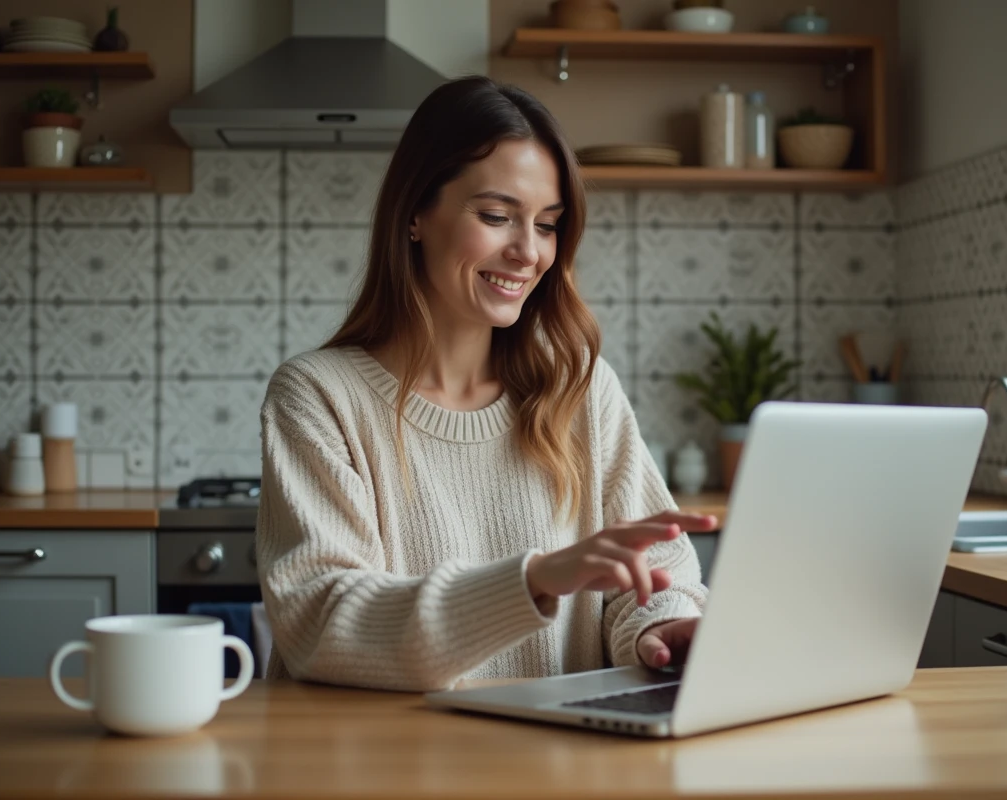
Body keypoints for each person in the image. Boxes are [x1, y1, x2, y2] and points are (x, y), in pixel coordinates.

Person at [256, 75, 717, 692]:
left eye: (548, 224)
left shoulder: (580, 389)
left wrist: (660, 626)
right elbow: (324, 622)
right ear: (416, 214)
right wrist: (533, 583)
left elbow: (658, 573)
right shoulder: (318, 396)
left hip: (552, 769)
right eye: (497, 216)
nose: (529, 252)